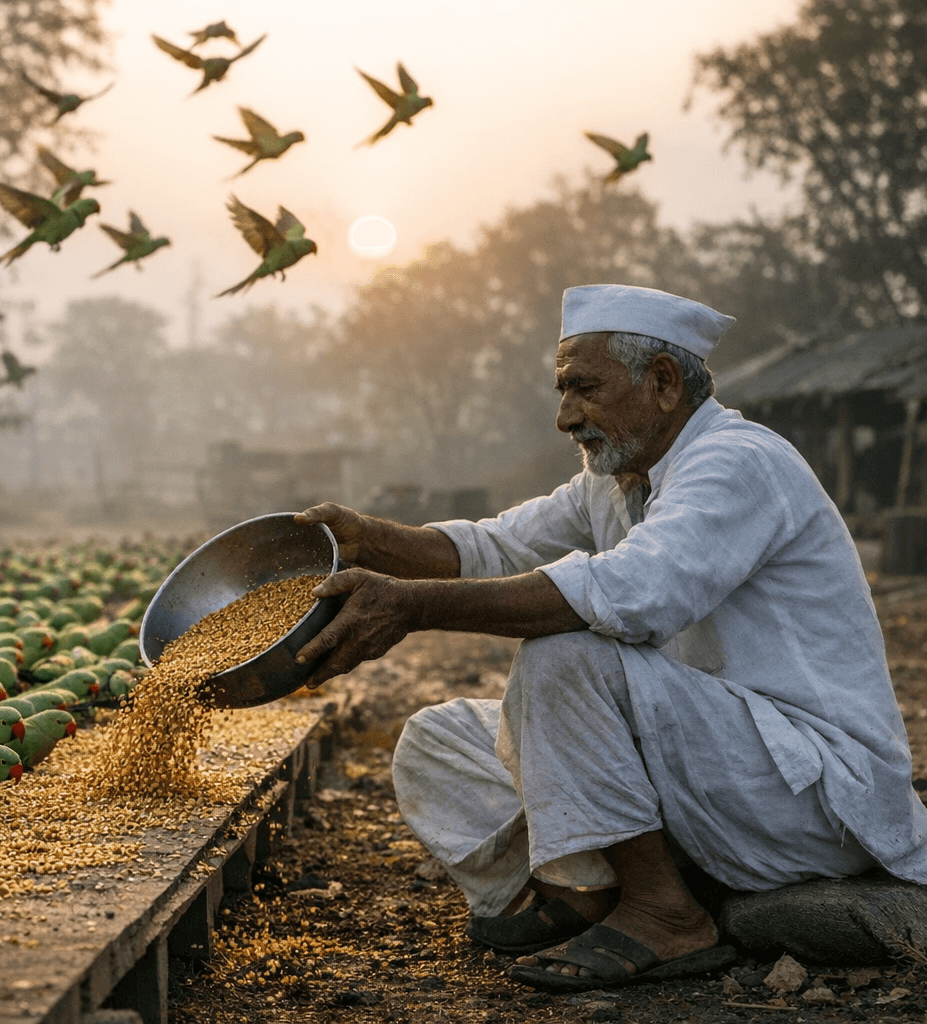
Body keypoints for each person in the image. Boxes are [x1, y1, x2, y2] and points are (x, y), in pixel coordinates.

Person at [294, 283, 927, 992]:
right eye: (564, 391)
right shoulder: (616, 478)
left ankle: (665, 912)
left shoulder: (740, 463)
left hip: (810, 792)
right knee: (437, 740)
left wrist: (410, 608)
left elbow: (631, 596)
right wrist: (367, 539)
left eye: (583, 389)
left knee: (567, 656)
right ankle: (585, 889)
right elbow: (494, 545)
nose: (566, 417)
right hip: (710, 764)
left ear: (661, 383)